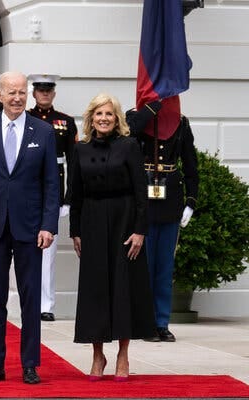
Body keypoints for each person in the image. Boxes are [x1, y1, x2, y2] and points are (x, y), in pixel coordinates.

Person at [0, 71, 60, 384]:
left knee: (31, 296)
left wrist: (48, 224)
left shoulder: (43, 131)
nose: (17, 98)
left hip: (31, 227)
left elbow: (51, 184)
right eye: (11, 92)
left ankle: (30, 363)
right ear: (0, 95)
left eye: (22, 92)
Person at [68, 93, 155, 381]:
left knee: (122, 287)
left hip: (124, 222)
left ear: (117, 119)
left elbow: (142, 193)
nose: (103, 118)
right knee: (96, 290)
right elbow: (75, 194)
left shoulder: (129, 146)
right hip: (92, 223)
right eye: (98, 114)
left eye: (109, 114)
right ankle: (97, 355)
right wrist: (75, 231)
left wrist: (140, 230)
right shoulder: (79, 150)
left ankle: (122, 354)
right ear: (91, 118)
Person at [126, 101, 199, 342]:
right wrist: (149, 110)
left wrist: (191, 200)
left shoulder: (182, 121)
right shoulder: (136, 116)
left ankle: (161, 322)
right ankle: (143, 321)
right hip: (142, 196)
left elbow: (190, 164)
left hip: (170, 197)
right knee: (143, 264)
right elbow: (130, 133)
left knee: (164, 266)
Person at [27, 73, 78, 322]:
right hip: (26, 191)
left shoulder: (65, 122)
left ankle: (45, 305)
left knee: (48, 251)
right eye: (40, 90)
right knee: (23, 249)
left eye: (48, 90)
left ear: (53, 94)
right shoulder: (25, 118)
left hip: (53, 192)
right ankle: (28, 300)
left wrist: (68, 198)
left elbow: (74, 162)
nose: (44, 94)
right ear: (34, 93)